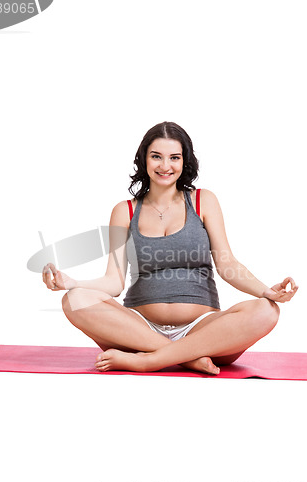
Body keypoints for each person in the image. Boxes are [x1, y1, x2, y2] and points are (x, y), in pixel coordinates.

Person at [42, 121, 299, 375]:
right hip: (138, 330)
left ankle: (147, 361)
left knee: (266, 310)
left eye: (174, 157)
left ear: (184, 161)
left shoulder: (203, 201)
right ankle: (187, 358)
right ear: (144, 160)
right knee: (74, 299)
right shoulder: (125, 211)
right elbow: (114, 282)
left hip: (202, 328)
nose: (165, 166)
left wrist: (267, 291)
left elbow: (227, 264)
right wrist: (72, 282)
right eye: (157, 157)